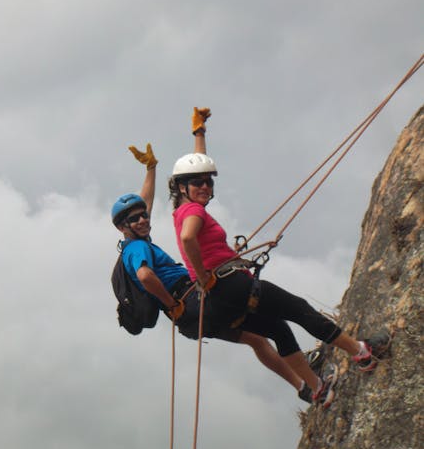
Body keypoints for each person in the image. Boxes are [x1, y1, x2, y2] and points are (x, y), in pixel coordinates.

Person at [168, 107, 390, 406]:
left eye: (209, 181)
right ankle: (361, 352)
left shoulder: (180, 210)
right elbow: (188, 238)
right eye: (198, 183)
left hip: (217, 299)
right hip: (227, 284)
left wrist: (199, 133)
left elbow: (195, 170)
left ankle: (317, 389)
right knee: (299, 310)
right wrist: (205, 275)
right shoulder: (193, 212)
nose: (205, 186)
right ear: (182, 187)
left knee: (277, 328)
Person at [111, 143, 317, 402]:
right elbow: (145, 276)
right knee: (272, 325)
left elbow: (144, 203)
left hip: (189, 317)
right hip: (191, 303)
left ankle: (303, 386)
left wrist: (151, 168)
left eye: (143, 216)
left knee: (258, 340)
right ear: (122, 227)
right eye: (134, 219)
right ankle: (305, 374)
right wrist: (172, 304)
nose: (142, 220)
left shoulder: (135, 240)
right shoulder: (137, 248)